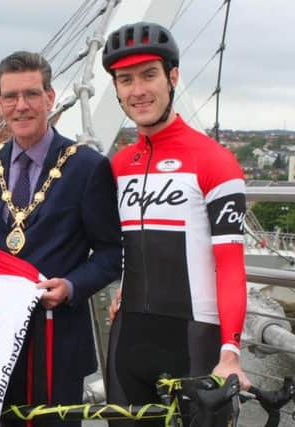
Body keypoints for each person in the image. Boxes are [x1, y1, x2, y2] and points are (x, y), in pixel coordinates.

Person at [0, 51, 122, 426]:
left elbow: (111, 253)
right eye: (10, 96)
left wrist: (73, 286)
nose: (21, 106)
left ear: (50, 97)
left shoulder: (88, 167)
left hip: (57, 343)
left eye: (30, 94)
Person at [102, 22, 250, 426]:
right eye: (125, 79)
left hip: (194, 343)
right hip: (127, 340)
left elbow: (231, 264)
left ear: (173, 77)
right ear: (115, 89)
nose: (138, 90)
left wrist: (230, 352)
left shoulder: (215, 161)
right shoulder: (117, 166)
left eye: (149, 75)